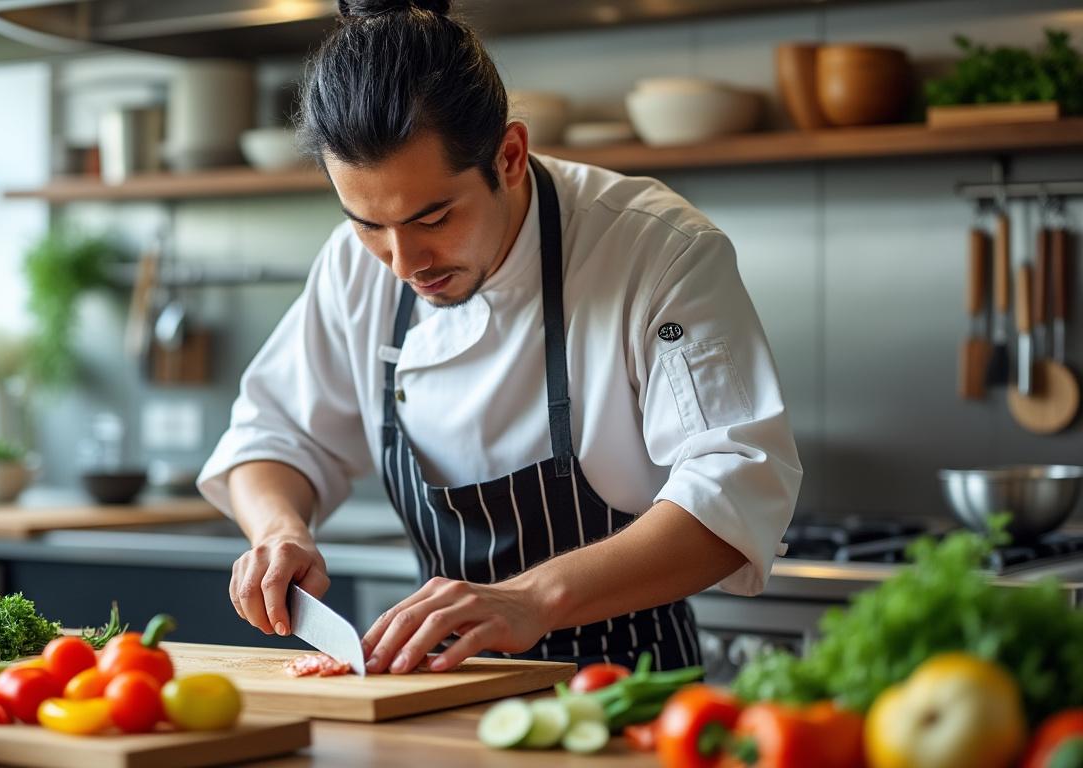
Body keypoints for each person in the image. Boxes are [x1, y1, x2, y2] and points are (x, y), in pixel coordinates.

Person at [198, 0, 802, 674]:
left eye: (434, 218)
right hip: (442, 683)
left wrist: (532, 599)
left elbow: (738, 481)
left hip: (625, 682)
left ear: (509, 156)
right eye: (368, 224)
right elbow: (274, 436)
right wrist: (279, 530)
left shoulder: (652, 248)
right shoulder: (352, 266)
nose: (403, 263)